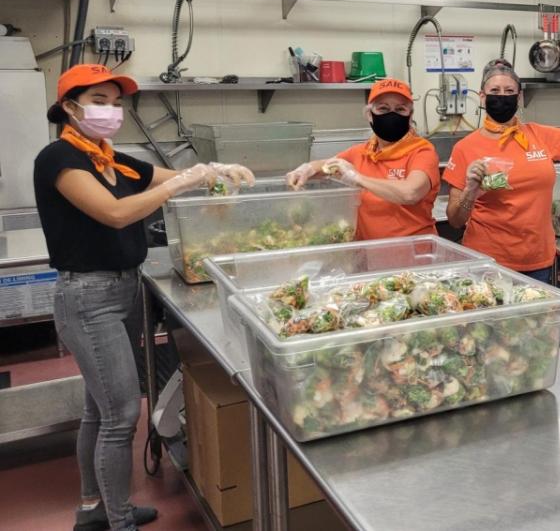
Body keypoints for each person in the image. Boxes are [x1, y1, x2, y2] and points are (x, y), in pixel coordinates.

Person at [33, 64, 254, 531]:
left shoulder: (111, 158)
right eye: (98, 100)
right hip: (88, 296)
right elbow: (114, 213)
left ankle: (93, 508)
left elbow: (172, 174)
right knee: (121, 415)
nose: (110, 111)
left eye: (116, 103)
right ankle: (120, 521)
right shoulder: (58, 159)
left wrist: (214, 172)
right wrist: (179, 185)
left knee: (99, 408)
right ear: (69, 108)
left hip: (124, 287)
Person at [444, 59, 560, 282]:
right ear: (482, 97)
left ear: (519, 97)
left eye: (509, 91)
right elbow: (455, 219)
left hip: (538, 259)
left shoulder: (539, 135)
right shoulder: (465, 148)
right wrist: (471, 191)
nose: (502, 96)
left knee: (537, 318)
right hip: (487, 263)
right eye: (495, 91)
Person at [286, 78, 440, 239]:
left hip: (414, 255)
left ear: (410, 115)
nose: (392, 115)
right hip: (370, 254)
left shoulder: (422, 151)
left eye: (400, 109)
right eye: (383, 108)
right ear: (370, 115)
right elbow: (328, 167)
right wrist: (306, 170)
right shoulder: (362, 152)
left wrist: (357, 178)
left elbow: (410, 193)